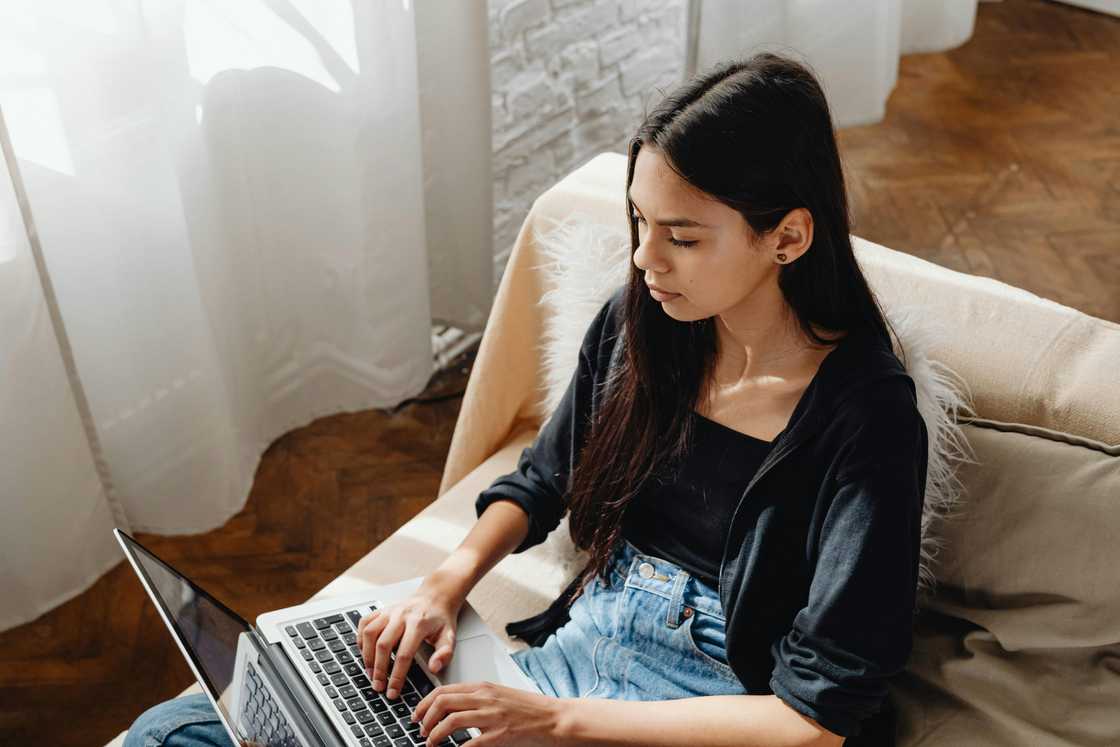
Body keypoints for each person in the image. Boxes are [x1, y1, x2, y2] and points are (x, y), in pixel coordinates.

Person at [125, 51, 927, 747]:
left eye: (682, 236)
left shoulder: (869, 418)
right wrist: (443, 586)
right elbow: (545, 478)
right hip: (570, 665)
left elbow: (812, 719)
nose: (646, 257)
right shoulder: (647, 323)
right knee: (178, 728)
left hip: (706, 710)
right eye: (638, 219)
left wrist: (551, 724)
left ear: (786, 237)